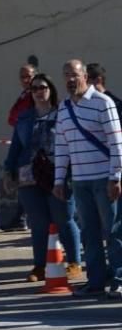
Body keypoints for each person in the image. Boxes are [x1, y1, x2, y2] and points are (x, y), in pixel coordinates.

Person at [53, 59, 122, 298]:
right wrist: (59, 180)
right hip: (80, 181)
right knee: (89, 233)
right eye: (66, 75)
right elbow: (61, 146)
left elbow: (116, 142)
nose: (70, 80)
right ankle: (95, 281)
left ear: (85, 76)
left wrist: (116, 176)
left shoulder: (103, 103)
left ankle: (119, 278)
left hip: (104, 179)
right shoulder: (63, 108)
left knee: (114, 230)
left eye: (74, 74)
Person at [3, 73, 82, 282]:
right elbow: (17, 146)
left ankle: (75, 262)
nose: (39, 91)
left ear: (51, 90)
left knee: (64, 218)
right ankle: (40, 265)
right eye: (35, 88)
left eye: (43, 87)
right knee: (38, 222)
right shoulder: (25, 117)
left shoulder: (63, 113)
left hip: (59, 172)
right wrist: (9, 170)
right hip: (29, 174)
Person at [1, 63, 38, 232]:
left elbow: (21, 117)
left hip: (32, 148)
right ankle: (20, 217)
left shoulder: (34, 96)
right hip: (21, 142)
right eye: (22, 77)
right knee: (22, 182)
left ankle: (24, 218)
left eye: (28, 76)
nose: (25, 80)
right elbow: (12, 117)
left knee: (28, 183)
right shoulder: (24, 95)